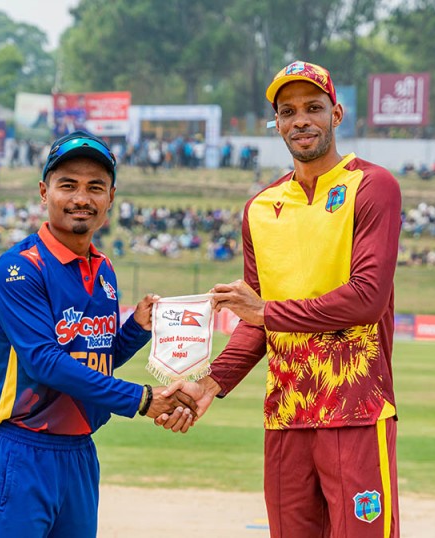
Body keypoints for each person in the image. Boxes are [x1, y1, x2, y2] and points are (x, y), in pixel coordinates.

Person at [158, 61, 402, 537]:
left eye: (313, 108)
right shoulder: (260, 208)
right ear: (277, 123)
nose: (301, 120)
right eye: (287, 112)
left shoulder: (373, 186)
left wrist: (264, 311)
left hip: (355, 409)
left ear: (337, 114)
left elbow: (367, 299)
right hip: (286, 415)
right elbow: (257, 322)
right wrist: (211, 384)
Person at [0, 130, 196, 538]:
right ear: (44, 192)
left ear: (111, 198)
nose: (81, 198)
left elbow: (93, 357)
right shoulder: (19, 268)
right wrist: (142, 399)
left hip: (79, 455)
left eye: (95, 187)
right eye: (68, 185)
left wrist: (136, 329)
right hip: (22, 451)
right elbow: (45, 363)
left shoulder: (103, 269)